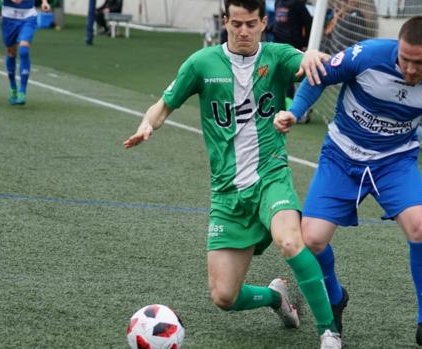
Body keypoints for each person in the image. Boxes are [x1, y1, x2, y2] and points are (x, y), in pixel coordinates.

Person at [124, 1, 341, 348]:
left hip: (270, 177)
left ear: (263, 23)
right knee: (225, 296)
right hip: (227, 193)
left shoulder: (277, 55)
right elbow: (164, 104)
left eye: (251, 24)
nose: (243, 31)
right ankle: (276, 298)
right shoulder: (202, 63)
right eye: (236, 23)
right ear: (225, 22)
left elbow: (302, 61)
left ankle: (329, 332)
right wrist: (148, 124)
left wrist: (311, 55)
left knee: (290, 241)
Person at [274, 16, 422, 348]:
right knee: (311, 240)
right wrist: (295, 111)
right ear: (397, 46)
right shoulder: (367, 55)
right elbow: (318, 74)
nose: (410, 69)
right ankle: (336, 298)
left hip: (394, 162)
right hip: (342, 156)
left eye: (419, 62)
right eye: (404, 59)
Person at [1, 0, 50, 105]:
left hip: (28, 17)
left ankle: (22, 91)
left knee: (23, 50)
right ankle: (13, 87)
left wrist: (44, 2)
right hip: (9, 19)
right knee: (11, 52)